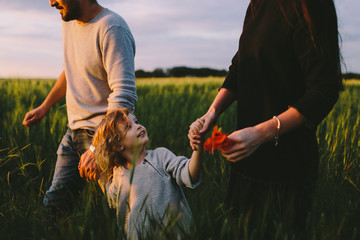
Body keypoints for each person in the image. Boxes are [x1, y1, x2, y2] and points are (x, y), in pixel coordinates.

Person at [189, 0, 341, 238]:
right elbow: (240, 66)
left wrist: (260, 134)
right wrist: (212, 113)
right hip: (246, 161)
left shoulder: (311, 4)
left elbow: (324, 90)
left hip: (287, 169)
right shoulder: (257, 5)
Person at [22, 0, 137, 217]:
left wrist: (98, 148)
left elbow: (124, 96)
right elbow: (71, 69)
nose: (51, 2)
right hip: (73, 132)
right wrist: (46, 106)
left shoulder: (112, 28)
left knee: (124, 212)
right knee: (54, 208)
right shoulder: (69, 21)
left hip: (107, 136)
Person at [90, 108, 204, 239]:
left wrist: (198, 148)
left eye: (136, 121)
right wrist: (99, 175)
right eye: (128, 127)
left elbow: (190, 174)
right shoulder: (119, 174)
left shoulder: (160, 156)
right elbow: (112, 199)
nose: (138, 126)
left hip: (175, 235)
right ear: (118, 145)